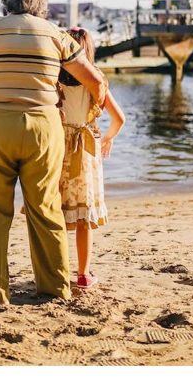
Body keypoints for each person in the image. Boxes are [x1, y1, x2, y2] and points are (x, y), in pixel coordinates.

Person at [0, 0, 107, 305]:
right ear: (42, 0)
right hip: (44, 128)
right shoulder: (58, 36)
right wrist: (93, 114)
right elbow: (96, 82)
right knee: (46, 209)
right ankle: (54, 287)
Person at [56, 27, 125, 290]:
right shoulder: (96, 80)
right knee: (84, 219)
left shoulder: (54, 79)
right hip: (85, 151)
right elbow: (120, 119)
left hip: (58, 148)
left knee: (57, 214)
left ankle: (58, 271)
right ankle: (83, 274)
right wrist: (107, 138)